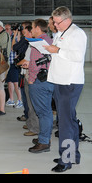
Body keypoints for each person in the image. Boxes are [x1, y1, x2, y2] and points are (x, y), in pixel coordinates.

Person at [44, 6, 87, 173]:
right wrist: (50, 50)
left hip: (69, 82)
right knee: (70, 119)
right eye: (54, 21)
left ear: (67, 19)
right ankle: (73, 155)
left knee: (65, 122)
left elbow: (77, 56)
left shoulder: (77, 34)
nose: (55, 24)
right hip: (59, 80)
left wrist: (58, 50)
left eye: (57, 22)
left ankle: (66, 159)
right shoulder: (61, 33)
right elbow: (59, 53)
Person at [26, 19, 54, 153]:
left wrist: (31, 79)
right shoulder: (49, 40)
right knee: (46, 111)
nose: (31, 30)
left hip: (39, 81)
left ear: (37, 28)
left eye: (32, 27)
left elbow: (35, 63)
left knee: (43, 112)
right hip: (49, 80)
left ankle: (44, 142)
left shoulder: (37, 43)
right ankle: (44, 137)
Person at [0, 20, 11, 116]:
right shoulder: (0, 36)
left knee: (0, 87)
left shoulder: (3, 35)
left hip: (2, 65)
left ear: (1, 27)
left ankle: (2, 108)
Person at [6, 24, 23, 108]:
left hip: (14, 63)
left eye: (8, 29)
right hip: (9, 63)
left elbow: (13, 48)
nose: (6, 31)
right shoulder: (7, 38)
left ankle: (19, 100)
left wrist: (17, 32)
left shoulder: (15, 37)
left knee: (16, 83)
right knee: (9, 82)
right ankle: (11, 99)